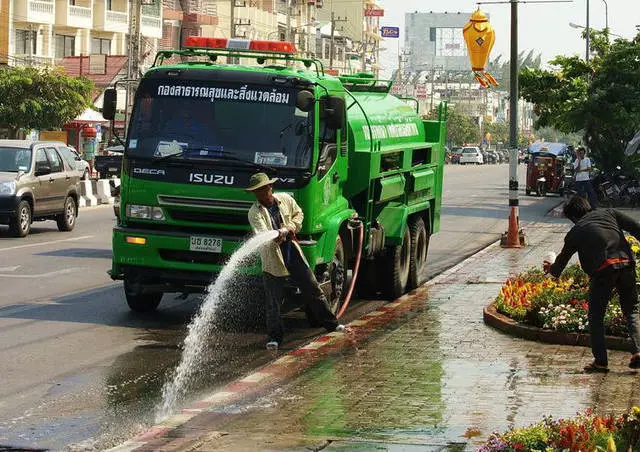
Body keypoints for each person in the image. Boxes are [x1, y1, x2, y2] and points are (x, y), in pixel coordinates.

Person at [246, 172, 349, 350]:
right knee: (273, 302)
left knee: (313, 289)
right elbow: (261, 234)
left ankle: (332, 324)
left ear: (270, 187)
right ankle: (274, 338)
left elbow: (299, 214)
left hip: (292, 252)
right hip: (272, 259)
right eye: (257, 191)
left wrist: (289, 228)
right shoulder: (254, 212)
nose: (262, 193)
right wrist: (277, 235)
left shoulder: (285, 200)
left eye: (264, 189)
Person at [544, 196, 640, 372]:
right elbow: (636, 228)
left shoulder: (576, 231)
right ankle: (638, 351)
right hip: (626, 264)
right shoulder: (609, 213)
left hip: (604, 271)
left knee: (596, 317)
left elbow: (560, 264)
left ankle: (601, 362)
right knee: (631, 310)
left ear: (573, 217)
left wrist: (552, 269)